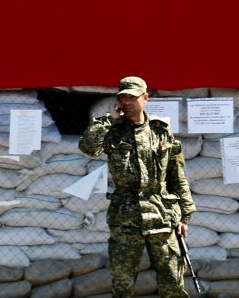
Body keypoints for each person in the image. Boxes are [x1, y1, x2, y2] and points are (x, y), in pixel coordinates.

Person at [79, 76, 195, 298]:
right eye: (123, 97)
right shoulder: (112, 130)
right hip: (126, 218)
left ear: (145, 98)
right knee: (122, 283)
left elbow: (176, 174)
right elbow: (88, 148)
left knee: (172, 281)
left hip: (162, 216)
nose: (127, 102)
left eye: (132, 97)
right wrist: (108, 121)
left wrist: (185, 215)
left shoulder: (161, 131)